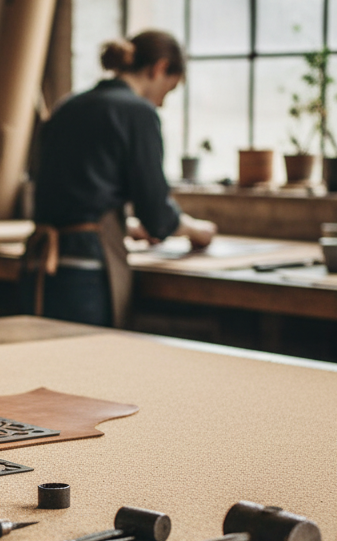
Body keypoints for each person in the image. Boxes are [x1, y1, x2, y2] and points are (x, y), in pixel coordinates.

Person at [26, 30, 217, 328]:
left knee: (51, 368)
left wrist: (122, 225)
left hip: (40, 263)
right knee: (93, 367)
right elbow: (156, 213)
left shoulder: (67, 106)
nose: (163, 103)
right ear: (159, 68)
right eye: (169, 89)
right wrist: (197, 231)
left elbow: (69, 192)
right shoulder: (137, 113)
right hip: (87, 268)